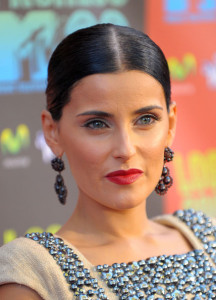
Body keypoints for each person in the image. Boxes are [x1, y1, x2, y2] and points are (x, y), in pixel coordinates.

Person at [0, 23, 215, 300]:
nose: (125, 149)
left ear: (170, 124)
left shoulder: (207, 237)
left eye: (146, 120)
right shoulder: (30, 275)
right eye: (97, 123)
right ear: (52, 132)